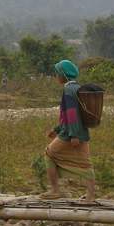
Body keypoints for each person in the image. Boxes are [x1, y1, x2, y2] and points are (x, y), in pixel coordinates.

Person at [40, 60, 96, 202]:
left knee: (49, 154)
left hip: (72, 133)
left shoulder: (68, 90)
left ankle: (55, 190)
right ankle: (90, 196)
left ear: (63, 75)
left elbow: (71, 114)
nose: (56, 76)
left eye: (57, 73)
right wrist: (56, 129)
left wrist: (73, 135)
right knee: (85, 163)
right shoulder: (77, 88)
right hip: (82, 132)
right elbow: (71, 115)